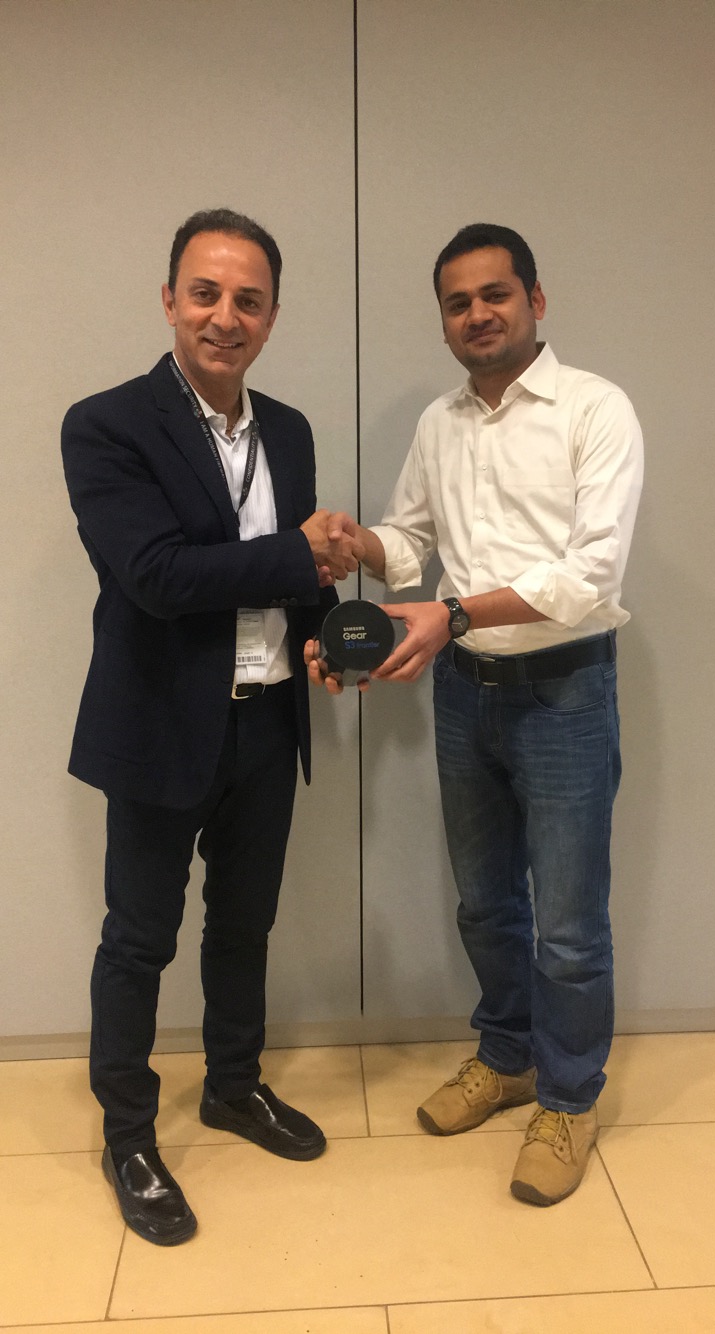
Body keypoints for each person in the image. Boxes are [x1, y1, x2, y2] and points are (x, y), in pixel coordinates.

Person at [307, 223, 643, 1206]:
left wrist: (451, 613)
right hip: (466, 693)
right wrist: (355, 544)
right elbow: (412, 545)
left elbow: (589, 577)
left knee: (569, 926)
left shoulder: (596, 409)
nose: (477, 314)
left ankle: (570, 1096)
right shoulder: (440, 424)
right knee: (486, 903)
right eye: (457, 302)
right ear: (445, 320)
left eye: (495, 294)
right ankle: (508, 1056)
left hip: (567, 691)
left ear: (536, 299)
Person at [62, 208, 361, 1245]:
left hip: (267, 723)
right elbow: (156, 575)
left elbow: (302, 579)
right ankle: (129, 1136)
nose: (225, 317)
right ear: (169, 300)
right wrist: (302, 553)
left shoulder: (291, 429)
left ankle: (234, 1085)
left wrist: (332, 638)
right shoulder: (106, 424)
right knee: (139, 938)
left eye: (248, 300)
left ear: (271, 316)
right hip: (157, 727)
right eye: (205, 293)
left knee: (244, 925)